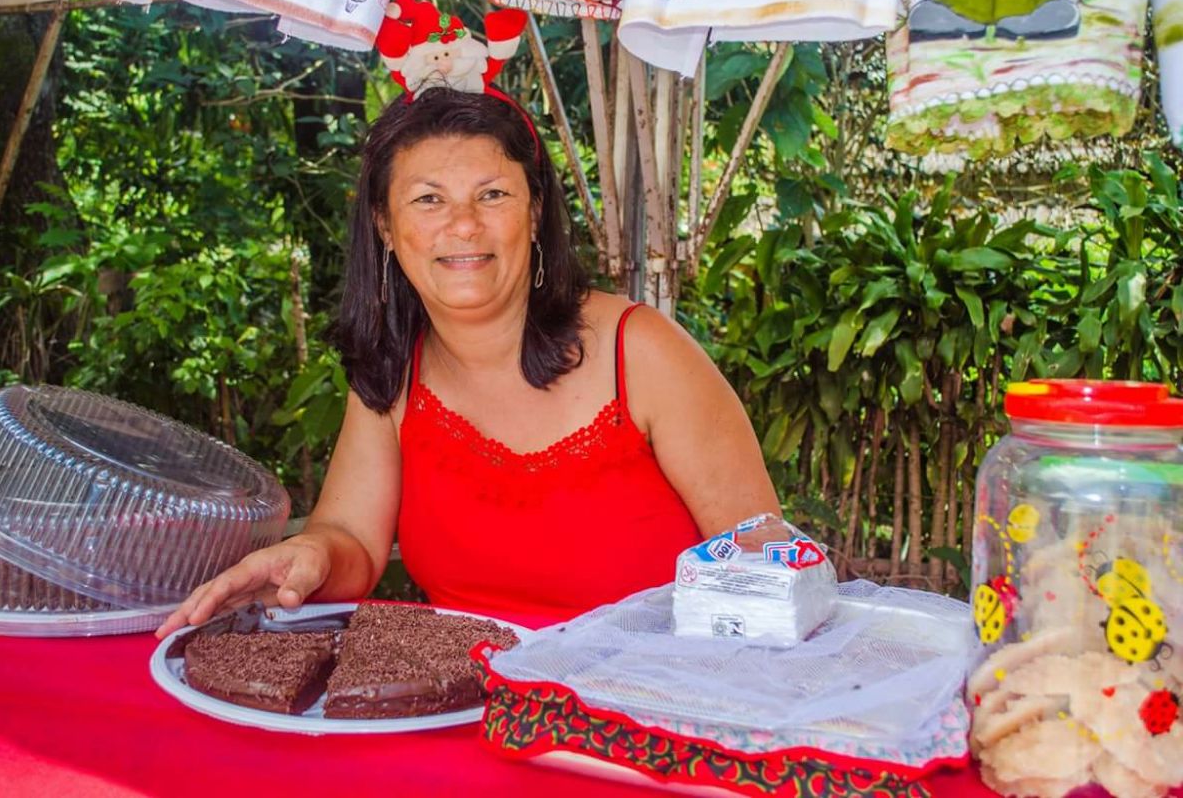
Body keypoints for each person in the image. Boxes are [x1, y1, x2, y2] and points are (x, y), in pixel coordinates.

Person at [156, 83, 779, 639]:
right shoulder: (393, 370)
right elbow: (352, 543)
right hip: (461, 709)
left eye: (493, 194)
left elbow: (761, 559)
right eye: (429, 199)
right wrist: (311, 556)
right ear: (385, 226)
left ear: (534, 213)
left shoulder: (640, 351)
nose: (463, 225)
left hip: (652, 705)